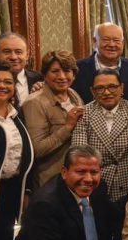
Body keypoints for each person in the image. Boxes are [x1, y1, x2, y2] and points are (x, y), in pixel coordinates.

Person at [71, 69, 128, 240]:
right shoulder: (84, 113)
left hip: (126, 188)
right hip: (93, 188)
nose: (107, 92)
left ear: (122, 88)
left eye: (112, 86)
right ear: (93, 91)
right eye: (100, 88)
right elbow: (79, 152)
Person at [0, 62, 34, 240]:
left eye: (7, 82)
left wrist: (25, 191)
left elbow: (21, 157)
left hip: (10, 192)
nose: (2, 86)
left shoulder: (14, 114)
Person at [21, 51, 84, 190]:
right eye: (55, 71)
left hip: (76, 179)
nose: (61, 76)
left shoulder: (74, 95)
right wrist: (67, 127)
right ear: (45, 74)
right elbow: (36, 150)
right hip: (50, 183)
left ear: (73, 74)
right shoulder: (34, 102)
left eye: (66, 71)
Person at [72, 23, 128, 104]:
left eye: (116, 40)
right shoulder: (77, 69)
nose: (112, 44)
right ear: (94, 42)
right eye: (106, 40)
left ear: (123, 43)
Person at [0, 32, 43, 106]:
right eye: (7, 52)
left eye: (18, 52)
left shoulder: (40, 79)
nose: (13, 57)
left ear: (27, 55)